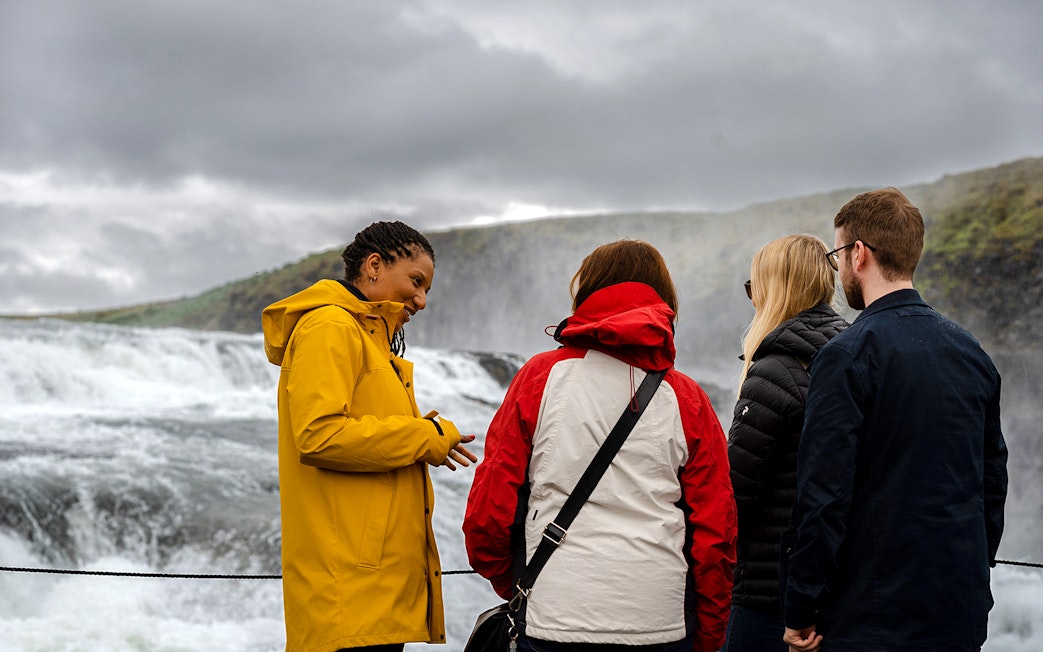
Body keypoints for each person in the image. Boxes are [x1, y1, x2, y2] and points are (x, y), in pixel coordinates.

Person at [463, 239, 737, 652]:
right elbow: (716, 531)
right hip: (658, 621)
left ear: (586, 292)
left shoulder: (540, 378)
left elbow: (489, 508)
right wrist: (711, 632)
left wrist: (517, 580)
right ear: (665, 302)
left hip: (556, 616)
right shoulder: (687, 398)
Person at [781, 188, 1009, 652]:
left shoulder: (846, 356)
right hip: (958, 611)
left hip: (872, 619)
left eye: (837, 253)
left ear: (859, 254)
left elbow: (823, 497)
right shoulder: (971, 352)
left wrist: (801, 608)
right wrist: (973, 570)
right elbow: (992, 482)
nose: (839, 267)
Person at [261, 220, 477, 652]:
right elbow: (319, 436)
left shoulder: (368, 338)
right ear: (374, 265)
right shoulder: (330, 327)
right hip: (348, 592)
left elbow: (363, 432)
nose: (421, 300)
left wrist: (426, 434)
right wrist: (423, 436)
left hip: (369, 590)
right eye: (416, 282)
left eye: (427, 290)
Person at [723, 235, 848, 652]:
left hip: (767, 596)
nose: (753, 301)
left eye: (753, 288)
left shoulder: (775, 370)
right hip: (841, 587)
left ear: (775, 290)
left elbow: (735, 495)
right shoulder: (856, 354)